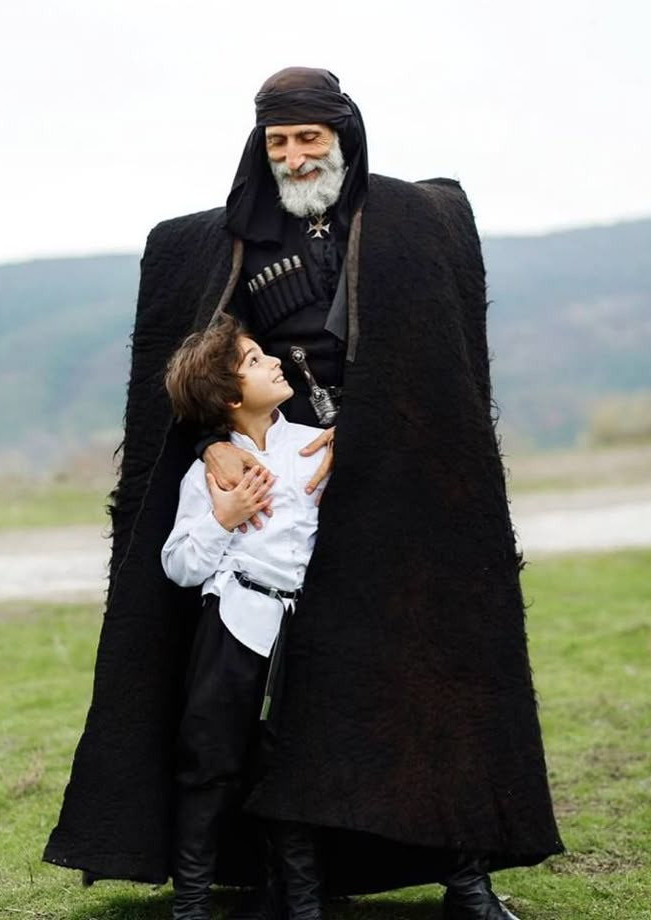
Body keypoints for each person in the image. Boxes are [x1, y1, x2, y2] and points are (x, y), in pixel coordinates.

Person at [44, 67, 563, 920]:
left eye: (307, 136)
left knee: (435, 673)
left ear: (342, 134)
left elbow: (446, 366)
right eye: (278, 140)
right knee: (286, 703)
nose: (293, 154)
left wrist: (379, 436)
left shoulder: (413, 223)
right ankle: (297, 890)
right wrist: (214, 444)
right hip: (281, 480)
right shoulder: (223, 241)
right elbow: (197, 374)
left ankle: (466, 880)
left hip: (397, 481)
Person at [160, 313, 327, 920]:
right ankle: (192, 907)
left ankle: (301, 906)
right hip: (231, 628)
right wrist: (222, 517)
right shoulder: (209, 474)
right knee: (210, 765)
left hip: (301, 635)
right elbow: (178, 565)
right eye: (255, 360)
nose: (275, 361)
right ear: (231, 397)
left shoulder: (313, 446)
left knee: (291, 766)